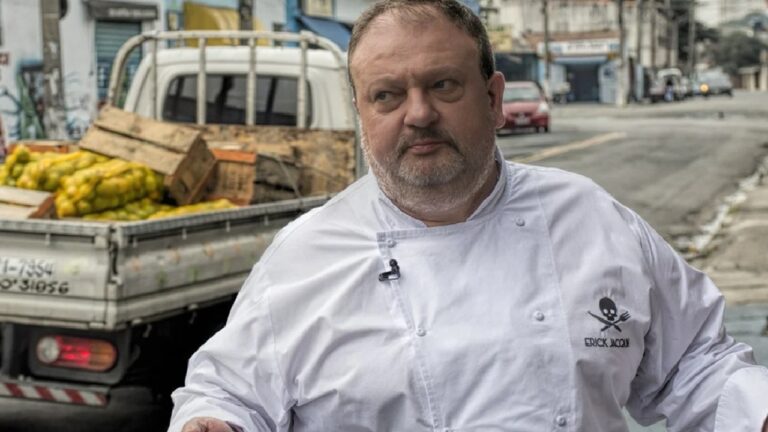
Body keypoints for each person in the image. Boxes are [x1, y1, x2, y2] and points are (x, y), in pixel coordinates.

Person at [169, 1, 768, 431]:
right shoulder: (305, 254)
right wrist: (213, 421)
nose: (419, 114)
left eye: (443, 85)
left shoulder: (592, 219)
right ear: (361, 114)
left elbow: (696, 364)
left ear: (494, 98)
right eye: (388, 95)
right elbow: (228, 391)